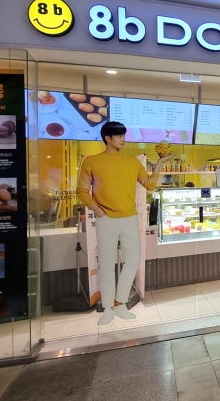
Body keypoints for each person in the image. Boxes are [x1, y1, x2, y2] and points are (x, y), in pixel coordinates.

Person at [76, 121, 170, 325]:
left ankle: (119, 303)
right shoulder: (91, 161)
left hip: (129, 217)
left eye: (123, 135)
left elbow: (149, 185)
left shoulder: (132, 162)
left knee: (134, 259)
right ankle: (108, 308)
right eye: (119, 136)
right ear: (107, 138)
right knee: (106, 263)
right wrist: (98, 211)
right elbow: (81, 191)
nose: (123, 139)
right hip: (106, 219)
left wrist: (159, 164)